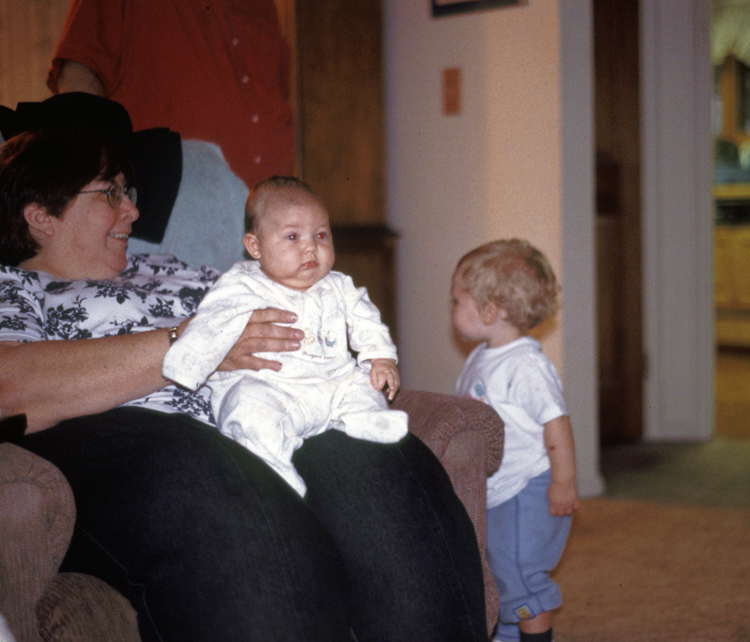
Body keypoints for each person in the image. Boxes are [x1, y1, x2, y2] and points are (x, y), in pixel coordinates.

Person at [0, 129, 488, 642]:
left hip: (276, 412)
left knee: (385, 464)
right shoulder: (14, 288)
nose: (134, 213)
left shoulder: (171, 269)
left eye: (131, 193)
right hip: (134, 442)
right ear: (41, 214)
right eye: (111, 193)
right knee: (223, 495)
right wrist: (190, 345)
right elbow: (10, 386)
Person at [163, 176, 407, 497]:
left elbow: (366, 319)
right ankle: (274, 467)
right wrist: (187, 364)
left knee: (363, 383)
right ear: (255, 247)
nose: (311, 247)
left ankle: (367, 419)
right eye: (292, 236)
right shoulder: (242, 285)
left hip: (330, 386)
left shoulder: (338, 286)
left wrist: (381, 357)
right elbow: (211, 322)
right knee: (247, 407)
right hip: (271, 389)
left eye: (321, 235)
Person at [451, 239, 580, 642]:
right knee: (499, 570)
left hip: (529, 489)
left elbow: (556, 423)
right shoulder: (483, 357)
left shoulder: (526, 365)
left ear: (491, 310)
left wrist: (563, 484)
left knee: (521, 575)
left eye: (457, 300)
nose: (451, 308)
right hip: (497, 489)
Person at [47, 0, 294, 191]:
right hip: (161, 219)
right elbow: (77, 75)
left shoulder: (264, 6)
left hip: (262, 222)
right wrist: (105, 188)